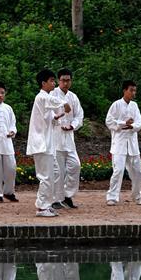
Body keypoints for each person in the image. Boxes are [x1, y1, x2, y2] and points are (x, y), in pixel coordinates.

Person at [26, 69, 71, 218]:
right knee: (46, 176)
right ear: (43, 83)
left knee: (56, 173)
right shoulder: (41, 97)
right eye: (51, 81)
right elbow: (52, 102)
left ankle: (47, 203)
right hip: (41, 144)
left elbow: (50, 120)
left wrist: (57, 117)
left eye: (54, 80)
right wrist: (64, 103)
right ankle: (42, 207)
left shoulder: (47, 99)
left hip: (48, 143)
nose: (54, 83)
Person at [105, 80, 141, 207]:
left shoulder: (135, 106)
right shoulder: (116, 105)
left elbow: (139, 123)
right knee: (118, 170)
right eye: (131, 90)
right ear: (124, 90)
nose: (133, 93)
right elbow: (109, 121)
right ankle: (112, 197)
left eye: (135, 90)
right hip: (119, 144)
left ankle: (136, 195)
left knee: (139, 171)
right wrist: (123, 123)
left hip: (132, 144)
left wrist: (131, 125)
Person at [50, 68, 83, 209]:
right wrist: (58, 121)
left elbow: (79, 116)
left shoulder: (73, 97)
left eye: (68, 80)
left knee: (75, 166)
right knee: (58, 170)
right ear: (58, 81)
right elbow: (47, 114)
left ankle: (67, 195)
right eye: (63, 80)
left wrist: (72, 126)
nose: (65, 83)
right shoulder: (52, 95)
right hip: (56, 137)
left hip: (69, 138)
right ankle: (56, 199)